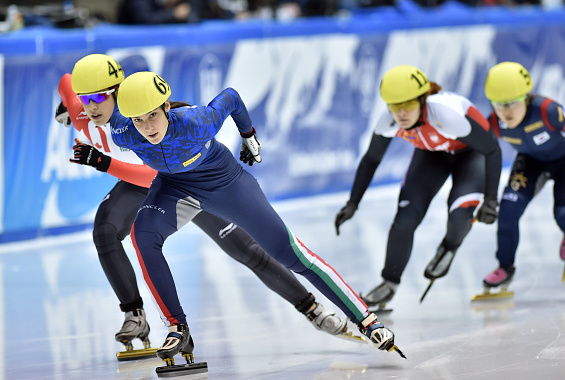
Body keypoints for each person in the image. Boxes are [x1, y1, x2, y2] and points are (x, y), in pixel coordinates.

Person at [55, 54, 358, 357]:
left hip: (177, 176)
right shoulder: (83, 108)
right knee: (105, 231)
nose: (91, 105)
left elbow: (153, 172)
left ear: (120, 91)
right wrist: (68, 107)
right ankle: (135, 315)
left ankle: (312, 308)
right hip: (149, 183)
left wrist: (103, 161)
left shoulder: (136, 114)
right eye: (85, 99)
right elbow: (66, 83)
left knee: (245, 250)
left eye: (98, 97)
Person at [111, 71, 404, 368]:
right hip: (175, 188)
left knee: (291, 255)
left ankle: (367, 320)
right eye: (138, 120)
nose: (147, 127)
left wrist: (248, 135)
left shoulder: (196, 122)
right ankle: (178, 327)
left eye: (152, 116)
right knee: (142, 236)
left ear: (166, 107)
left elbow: (232, 97)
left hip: (225, 184)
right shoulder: (123, 131)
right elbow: (99, 110)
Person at [335, 65, 502, 308]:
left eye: (408, 105)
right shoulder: (388, 121)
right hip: (432, 156)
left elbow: (492, 149)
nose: (401, 113)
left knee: (459, 215)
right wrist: (353, 203)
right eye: (394, 106)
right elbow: (371, 160)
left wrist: (491, 199)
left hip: (471, 155)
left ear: (423, 100)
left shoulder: (446, 115)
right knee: (404, 219)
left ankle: (449, 247)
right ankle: (389, 283)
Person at [480, 61, 565, 293]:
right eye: (498, 105)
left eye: (512, 103)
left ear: (526, 97)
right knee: (508, 212)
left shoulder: (548, 111)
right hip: (530, 163)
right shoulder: (493, 123)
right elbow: (482, 155)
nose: (505, 112)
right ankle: (505, 266)